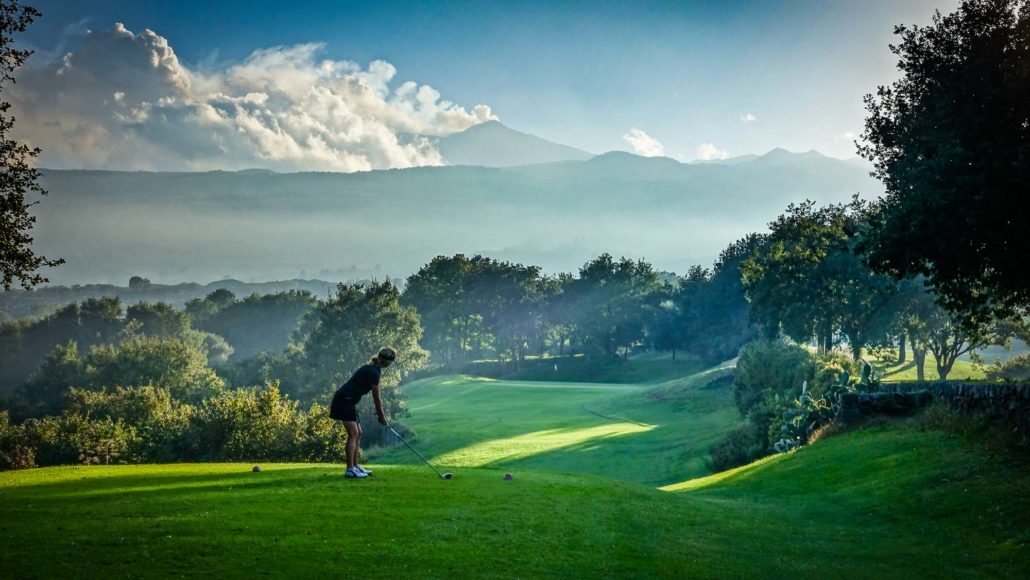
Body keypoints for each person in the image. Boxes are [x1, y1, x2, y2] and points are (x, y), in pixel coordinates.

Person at [329, 347, 396, 478]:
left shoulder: (374, 369)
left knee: (358, 433)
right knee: (353, 434)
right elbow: (376, 398)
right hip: (344, 401)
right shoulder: (373, 372)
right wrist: (381, 416)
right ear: (387, 362)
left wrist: (381, 415)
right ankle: (350, 469)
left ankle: (355, 466)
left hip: (349, 401)